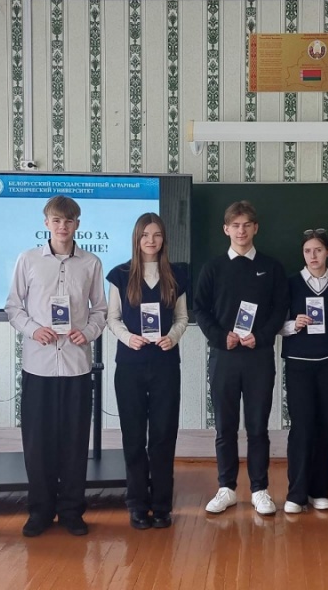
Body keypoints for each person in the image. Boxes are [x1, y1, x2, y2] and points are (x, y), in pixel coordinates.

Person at [5, 195, 107, 537]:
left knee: (75, 444)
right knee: (38, 444)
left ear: (78, 224)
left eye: (69, 220)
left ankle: (72, 512)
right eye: (57, 220)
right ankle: (40, 512)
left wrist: (88, 332)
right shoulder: (28, 259)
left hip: (77, 367)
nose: (63, 226)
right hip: (39, 367)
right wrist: (34, 330)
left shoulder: (91, 263)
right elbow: (13, 307)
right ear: (46, 223)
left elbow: (100, 310)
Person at [194, 200, 289, 516]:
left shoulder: (272, 267)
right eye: (235, 225)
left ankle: (260, 489)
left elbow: (280, 309)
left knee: (258, 427)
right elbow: (200, 310)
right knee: (225, 427)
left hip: (258, 356)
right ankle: (227, 488)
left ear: (255, 228)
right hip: (224, 357)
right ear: (226, 229)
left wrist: (260, 336)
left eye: (247, 224)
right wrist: (221, 336)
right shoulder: (212, 268)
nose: (241, 230)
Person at [106, 213, 189, 530]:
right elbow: (112, 318)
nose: (150, 241)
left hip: (166, 365)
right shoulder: (120, 275)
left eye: (156, 235)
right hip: (130, 366)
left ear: (164, 239)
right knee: (133, 437)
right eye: (145, 235)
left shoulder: (177, 275)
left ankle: (162, 506)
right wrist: (128, 338)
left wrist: (173, 337)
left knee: (163, 437)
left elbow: (182, 318)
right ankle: (137, 505)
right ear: (136, 238)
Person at [279, 228, 328, 514]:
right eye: (308, 251)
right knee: (301, 428)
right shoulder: (290, 284)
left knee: (325, 428)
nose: (313, 256)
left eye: (318, 250)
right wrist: (292, 325)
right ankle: (296, 493)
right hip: (299, 364)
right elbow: (275, 324)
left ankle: (319, 490)